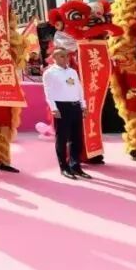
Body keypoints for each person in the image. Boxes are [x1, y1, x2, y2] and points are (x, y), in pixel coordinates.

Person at [43, 49, 91, 180]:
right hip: (61, 107)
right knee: (62, 138)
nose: (65, 59)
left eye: (67, 56)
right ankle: (63, 167)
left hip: (75, 106)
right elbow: (48, 92)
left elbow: (79, 89)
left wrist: (83, 105)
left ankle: (75, 165)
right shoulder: (50, 73)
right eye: (62, 56)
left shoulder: (72, 72)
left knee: (76, 138)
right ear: (54, 58)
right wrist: (54, 108)